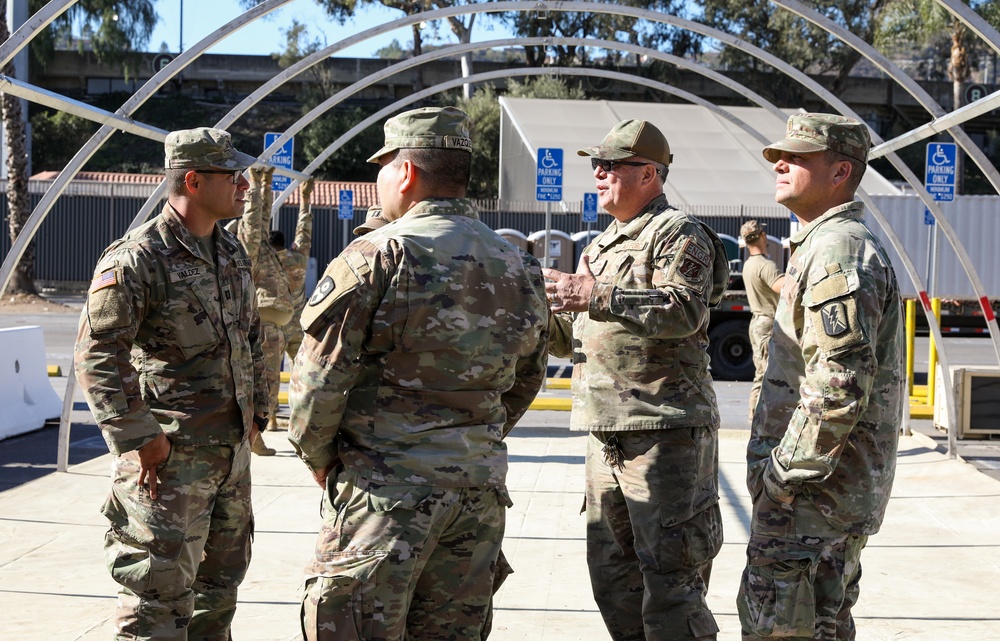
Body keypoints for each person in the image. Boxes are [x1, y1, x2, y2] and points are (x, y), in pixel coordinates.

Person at [288, 106, 549, 641]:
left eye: (382, 165)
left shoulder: (377, 255)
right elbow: (527, 377)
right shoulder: (518, 262)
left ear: (405, 173)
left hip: (386, 496)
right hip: (477, 497)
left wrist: (324, 460)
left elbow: (316, 387)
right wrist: (475, 438)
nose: (378, 178)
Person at [74, 127, 269, 641]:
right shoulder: (137, 258)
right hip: (169, 464)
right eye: (234, 175)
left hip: (228, 459)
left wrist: (257, 415)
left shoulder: (231, 253)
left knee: (217, 596)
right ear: (194, 180)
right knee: (155, 604)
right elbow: (97, 354)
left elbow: (251, 335)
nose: (245, 185)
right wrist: (141, 437)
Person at [544, 119, 730, 641]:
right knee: (613, 576)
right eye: (596, 166)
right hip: (606, 431)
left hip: (665, 432)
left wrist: (596, 294)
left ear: (649, 174)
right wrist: (538, 313)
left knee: (672, 580)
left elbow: (685, 309)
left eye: (611, 165)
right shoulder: (604, 245)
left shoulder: (678, 233)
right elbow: (578, 336)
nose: (598, 174)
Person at [737, 114, 904, 641]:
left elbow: (838, 386)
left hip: (812, 501)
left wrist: (781, 480)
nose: (780, 163)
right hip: (820, 499)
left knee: (779, 627)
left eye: (798, 157)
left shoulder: (839, 250)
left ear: (840, 172)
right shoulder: (822, 244)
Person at [233, 165, 294, 448]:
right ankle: (255, 434)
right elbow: (253, 220)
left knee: (263, 380)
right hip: (262, 324)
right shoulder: (249, 251)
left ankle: (257, 430)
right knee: (260, 381)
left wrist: (266, 184)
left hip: (272, 325)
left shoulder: (265, 248)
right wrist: (256, 185)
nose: (260, 231)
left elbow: (263, 218)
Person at [740, 219, 784, 422]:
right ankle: (756, 417)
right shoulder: (766, 265)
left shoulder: (749, 264)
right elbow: (781, 288)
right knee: (765, 372)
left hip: (758, 322)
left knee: (762, 371)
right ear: (763, 236)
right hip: (767, 322)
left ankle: (756, 415)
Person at [274, 178, 315, 368]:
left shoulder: (267, 263)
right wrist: (305, 197)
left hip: (275, 326)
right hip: (298, 324)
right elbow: (304, 231)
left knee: (269, 376)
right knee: (300, 372)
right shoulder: (298, 259)